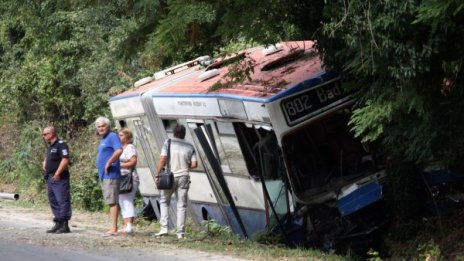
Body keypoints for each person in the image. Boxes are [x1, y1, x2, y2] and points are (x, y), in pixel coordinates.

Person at [155, 124, 197, 239]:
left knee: (164, 202)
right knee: (181, 205)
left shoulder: (168, 143)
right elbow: (194, 164)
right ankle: (180, 233)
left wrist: (157, 174)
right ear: (184, 134)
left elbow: (163, 159)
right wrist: (184, 164)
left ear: (173, 133)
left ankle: (164, 228)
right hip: (184, 177)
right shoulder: (190, 146)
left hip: (169, 176)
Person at [95, 116, 123, 236]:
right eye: (99, 127)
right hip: (104, 175)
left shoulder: (112, 136)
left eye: (103, 126)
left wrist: (109, 162)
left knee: (112, 201)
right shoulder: (104, 139)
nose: (101, 128)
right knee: (110, 201)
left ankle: (114, 228)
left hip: (111, 174)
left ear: (108, 126)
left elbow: (119, 150)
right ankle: (113, 227)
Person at [42, 126, 72, 234]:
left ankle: (64, 224)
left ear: (52, 134)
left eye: (45, 134)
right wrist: (45, 162)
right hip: (50, 177)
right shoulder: (51, 146)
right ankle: (58, 222)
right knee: (53, 200)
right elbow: (49, 158)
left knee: (62, 200)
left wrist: (58, 173)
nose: (44, 136)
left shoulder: (61, 144)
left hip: (59, 177)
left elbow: (65, 159)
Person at [118, 128, 139, 233]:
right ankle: (126, 224)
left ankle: (129, 225)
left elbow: (133, 162)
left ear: (127, 137)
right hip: (121, 177)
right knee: (121, 200)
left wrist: (119, 165)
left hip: (129, 177)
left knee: (127, 200)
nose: (119, 137)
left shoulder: (130, 147)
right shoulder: (120, 148)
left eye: (121, 135)